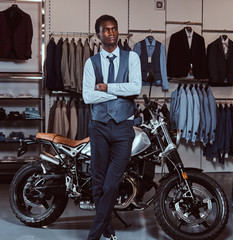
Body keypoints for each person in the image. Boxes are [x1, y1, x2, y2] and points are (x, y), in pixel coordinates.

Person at [82, 15, 142, 240]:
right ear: (98, 34)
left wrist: (106, 87)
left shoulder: (132, 58)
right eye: (106, 30)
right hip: (98, 127)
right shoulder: (91, 62)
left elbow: (135, 88)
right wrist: (120, 90)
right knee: (98, 184)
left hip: (123, 129)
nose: (111, 33)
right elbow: (87, 96)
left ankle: (94, 235)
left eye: (114, 29)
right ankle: (108, 231)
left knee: (111, 183)